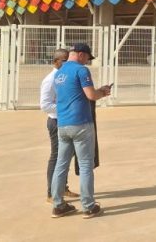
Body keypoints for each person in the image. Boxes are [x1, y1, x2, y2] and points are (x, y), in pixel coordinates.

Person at [50, 43, 111, 219]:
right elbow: (91, 95)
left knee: (61, 165)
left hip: (63, 124)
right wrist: (103, 91)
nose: (87, 62)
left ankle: (58, 205)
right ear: (81, 55)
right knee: (85, 165)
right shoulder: (81, 71)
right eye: (87, 58)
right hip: (81, 124)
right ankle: (89, 206)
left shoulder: (59, 72)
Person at [39, 48, 80, 203]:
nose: (67, 63)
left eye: (68, 60)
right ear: (55, 61)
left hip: (67, 120)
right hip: (56, 121)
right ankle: (51, 192)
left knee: (66, 156)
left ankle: (62, 187)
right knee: (57, 157)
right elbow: (45, 105)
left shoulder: (64, 76)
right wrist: (65, 107)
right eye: (64, 60)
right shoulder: (50, 80)